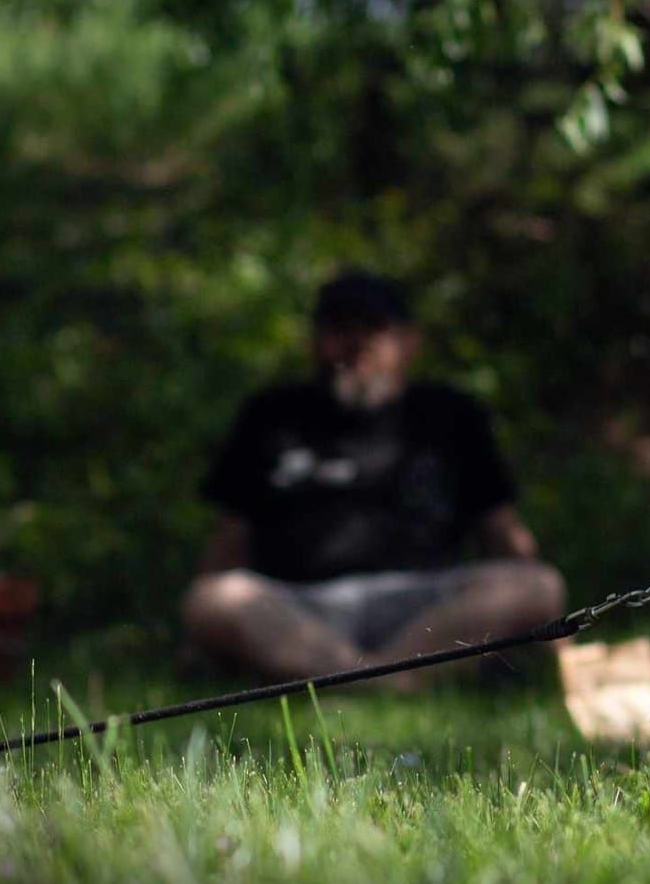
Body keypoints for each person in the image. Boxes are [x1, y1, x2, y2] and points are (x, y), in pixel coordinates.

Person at [181, 270, 566, 689]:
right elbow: (229, 538)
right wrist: (201, 631)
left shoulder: (452, 414)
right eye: (339, 329)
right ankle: (387, 679)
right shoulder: (271, 414)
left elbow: (502, 531)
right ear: (314, 341)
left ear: (407, 341)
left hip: (429, 609)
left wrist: (554, 638)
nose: (355, 343)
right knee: (212, 599)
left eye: (372, 328)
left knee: (540, 586)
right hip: (299, 610)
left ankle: (363, 679)